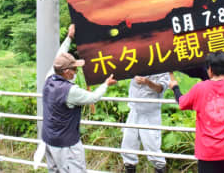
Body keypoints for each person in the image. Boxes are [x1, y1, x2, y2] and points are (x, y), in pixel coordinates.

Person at [41, 24, 117, 173]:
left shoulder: (50, 77)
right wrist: (106, 84)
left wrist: (69, 37)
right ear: (67, 72)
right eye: (75, 68)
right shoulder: (70, 90)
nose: (77, 71)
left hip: (49, 140)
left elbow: (59, 55)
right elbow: (93, 97)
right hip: (66, 144)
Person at [121, 73, 170, 173]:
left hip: (150, 114)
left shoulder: (163, 68)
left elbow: (161, 88)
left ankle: (160, 168)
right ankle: (129, 168)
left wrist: (147, 82)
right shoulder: (136, 62)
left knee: (153, 148)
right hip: (134, 110)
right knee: (128, 146)